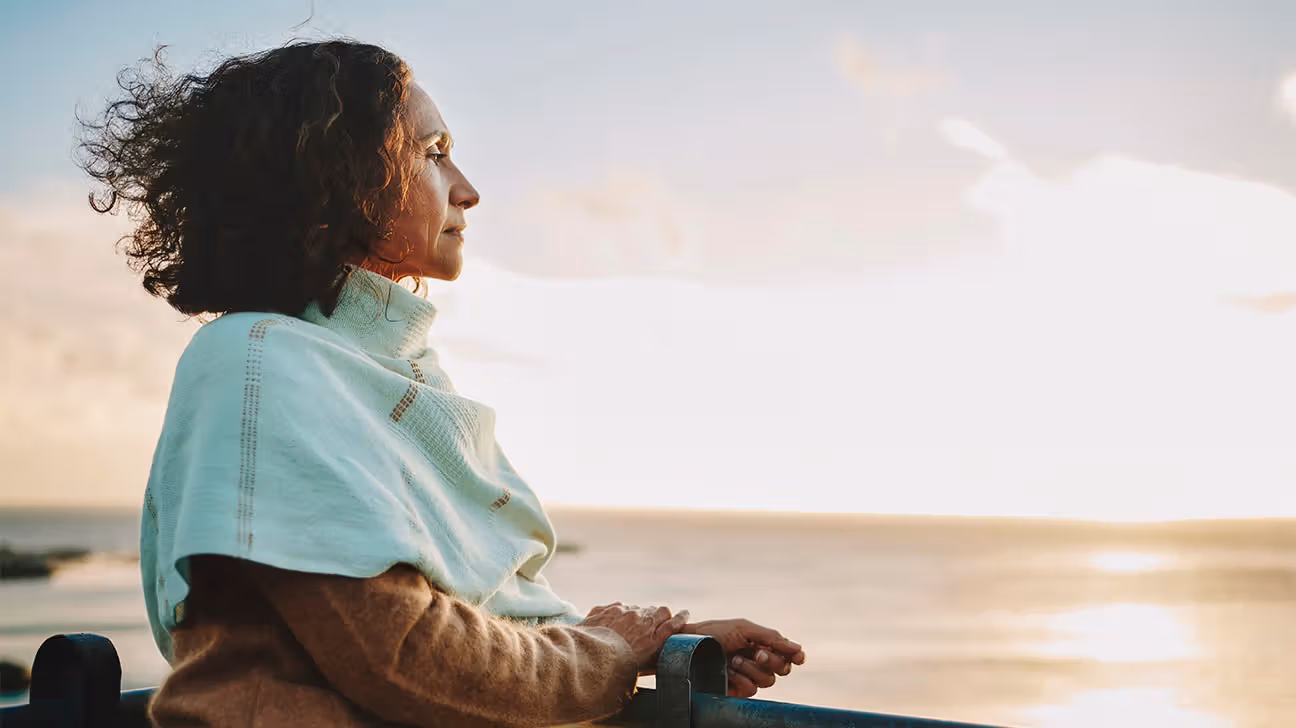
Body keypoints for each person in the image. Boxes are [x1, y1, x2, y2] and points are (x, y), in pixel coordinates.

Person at [78, 40, 806, 728]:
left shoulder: (387, 374)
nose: (469, 191)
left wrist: (660, 645)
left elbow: (475, 628)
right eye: (435, 154)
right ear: (336, 176)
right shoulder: (257, 357)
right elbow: (402, 654)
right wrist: (608, 653)